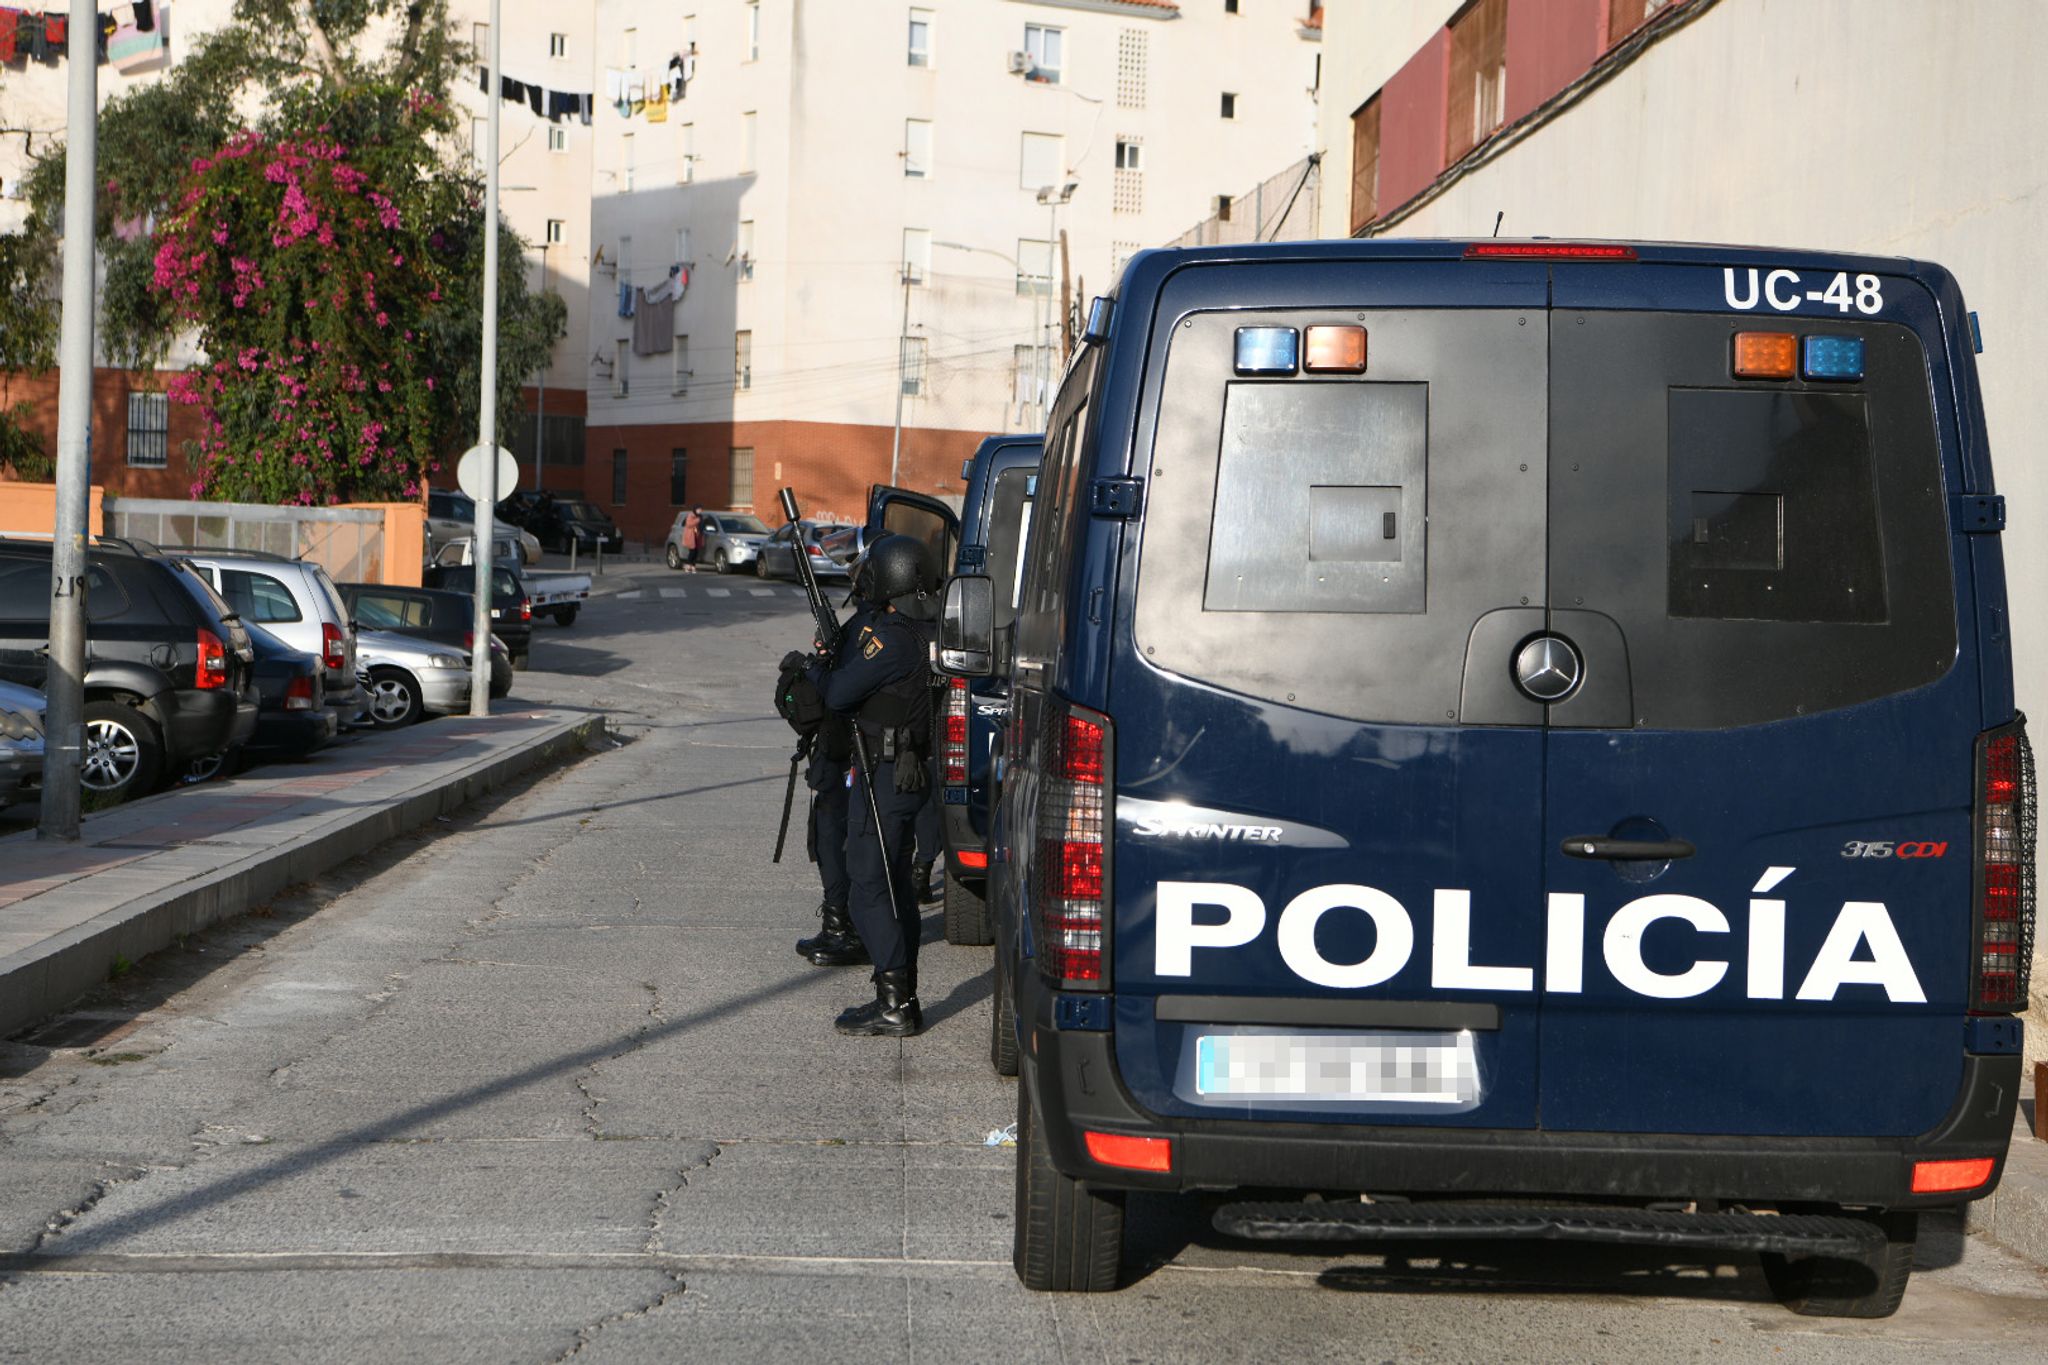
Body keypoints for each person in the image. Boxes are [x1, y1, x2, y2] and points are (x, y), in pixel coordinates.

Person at [800, 533, 939, 1036]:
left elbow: (838, 693)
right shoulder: (917, 629)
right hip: (901, 774)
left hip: (886, 776)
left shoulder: (894, 640)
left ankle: (895, 1004)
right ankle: (902, 995)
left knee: (868, 888)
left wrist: (814, 667)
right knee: (896, 887)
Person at [681, 506, 704, 571]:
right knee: (692, 551)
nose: (700, 511)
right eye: (698, 509)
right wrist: (697, 520)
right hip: (691, 536)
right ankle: (688, 565)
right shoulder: (691, 515)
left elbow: (702, 525)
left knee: (696, 551)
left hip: (697, 536)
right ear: (695, 510)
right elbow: (688, 524)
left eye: (700, 510)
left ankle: (693, 565)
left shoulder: (700, 517)